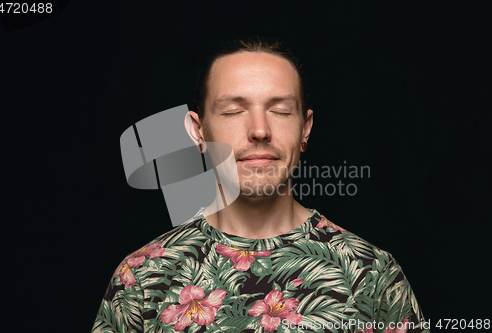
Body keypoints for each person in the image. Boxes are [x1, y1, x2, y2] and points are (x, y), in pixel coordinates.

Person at [92, 36, 430, 333]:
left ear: (305, 129)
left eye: (280, 110)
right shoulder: (143, 276)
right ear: (199, 132)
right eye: (234, 111)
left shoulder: (371, 274)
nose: (259, 130)